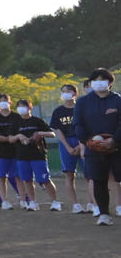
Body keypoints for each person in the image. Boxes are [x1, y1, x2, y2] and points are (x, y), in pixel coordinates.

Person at [73, 68, 121, 226]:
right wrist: (88, 141)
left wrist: (114, 140)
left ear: (110, 83)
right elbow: (78, 124)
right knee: (99, 180)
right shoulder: (82, 102)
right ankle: (104, 214)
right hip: (94, 148)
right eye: (95, 79)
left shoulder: (117, 100)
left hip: (117, 147)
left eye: (103, 79)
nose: (99, 82)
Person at [49, 83, 92, 214]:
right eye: (63, 91)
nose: (65, 93)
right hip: (66, 143)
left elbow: (87, 127)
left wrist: (80, 145)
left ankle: (91, 203)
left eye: (68, 91)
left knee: (88, 175)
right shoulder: (58, 111)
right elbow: (58, 131)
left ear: (75, 94)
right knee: (69, 175)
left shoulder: (81, 108)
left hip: (83, 141)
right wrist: (68, 147)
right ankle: (76, 205)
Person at [12, 99, 59, 211]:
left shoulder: (37, 121)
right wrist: (19, 136)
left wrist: (40, 133)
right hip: (22, 156)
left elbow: (52, 134)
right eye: (19, 106)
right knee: (27, 180)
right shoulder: (15, 123)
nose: (21, 108)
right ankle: (33, 202)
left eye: (24, 106)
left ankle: (55, 202)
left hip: (38, 155)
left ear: (30, 108)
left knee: (45, 179)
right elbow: (10, 139)